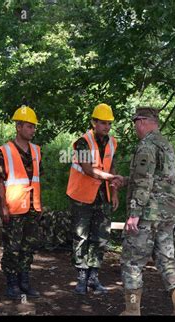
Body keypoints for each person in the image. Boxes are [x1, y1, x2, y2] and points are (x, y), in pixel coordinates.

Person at [115, 107, 175, 316]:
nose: (135, 127)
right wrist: (126, 181)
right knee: (167, 260)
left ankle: (131, 311)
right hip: (167, 215)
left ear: (142, 121)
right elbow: (160, 180)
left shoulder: (146, 145)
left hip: (146, 215)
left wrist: (134, 213)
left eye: (135, 122)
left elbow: (144, 181)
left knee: (131, 261)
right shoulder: (165, 145)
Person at [66, 103, 119, 295]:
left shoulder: (112, 142)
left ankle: (93, 278)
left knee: (100, 238)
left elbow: (112, 166)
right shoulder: (82, 142)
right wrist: (110, 178)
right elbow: (88, 169)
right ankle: (81, 278)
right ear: (94, 122)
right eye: (103, 123)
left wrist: (114, 192)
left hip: (103, 197)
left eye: (109, 123)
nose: (106, 126)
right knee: (81, 237)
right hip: (82, 196)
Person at [0, 105, 42, 299]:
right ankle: (12, 283)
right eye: (29, 126)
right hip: (14, 207)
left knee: (28, 246)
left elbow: (38, 179)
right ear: (18, 127)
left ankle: (24, 281)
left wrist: (40, 204)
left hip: (33, 206)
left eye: (33, 127)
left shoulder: (37, 151)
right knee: (12, 248)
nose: (32, 130)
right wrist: (3, 206)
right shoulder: (4, 151)